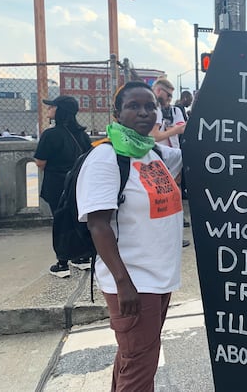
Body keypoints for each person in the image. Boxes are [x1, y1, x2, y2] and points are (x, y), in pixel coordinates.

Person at [77, 81, 183, 389]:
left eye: (151, 106)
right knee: (140, 371)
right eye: (134, 106)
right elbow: (98, 224)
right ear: (116, 113)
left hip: (159, 278)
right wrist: (124, 284)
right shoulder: (106, 158)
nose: (144, 112)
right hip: (134, 282)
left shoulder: (152, 154)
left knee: (132, 359)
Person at [34, 95, 92, 277]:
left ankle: (62, 263)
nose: (49, 109)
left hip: (56, 183)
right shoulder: (82, 134)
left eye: (52, 107)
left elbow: (40, 162)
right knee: (79, 219)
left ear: (59, 111)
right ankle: (82, 257)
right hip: (78, 182)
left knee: (60, 222)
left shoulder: (50, 134)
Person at [150, 77, 190, 246]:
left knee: (174, 194)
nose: (169, 100)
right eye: (167, 95)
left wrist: (171, 130)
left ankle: (174, 232)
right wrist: (173, 130)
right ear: (159, 91)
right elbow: (154, 136)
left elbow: (182, 127)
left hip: (172, 156)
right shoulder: (155, 110)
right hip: (157, 156)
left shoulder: (173, 111)